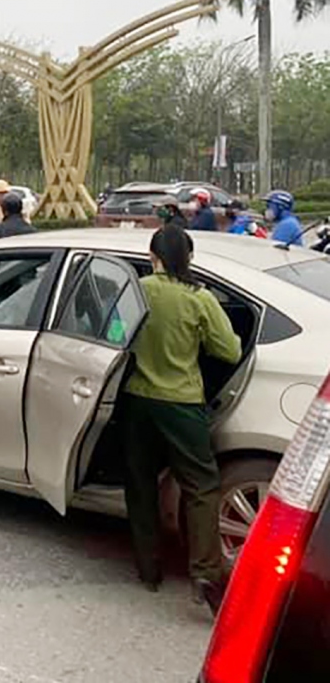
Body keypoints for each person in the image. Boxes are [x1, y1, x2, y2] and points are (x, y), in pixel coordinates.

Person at [121, 224, 242, 616]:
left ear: (153, 257)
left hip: (137, 399)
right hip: (182, 403)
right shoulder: (200, 298)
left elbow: (114, 335)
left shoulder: (137, 290)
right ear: (188, 258)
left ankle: (147, 567)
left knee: (140, 482)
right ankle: (205, 572)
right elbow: (229, 350)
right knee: (201, 485)